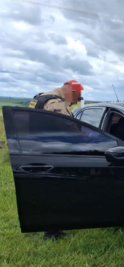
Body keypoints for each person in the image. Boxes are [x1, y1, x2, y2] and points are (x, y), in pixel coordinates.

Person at [29, 80, 84, 240]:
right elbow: (72, 130)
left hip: (38, 149)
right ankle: (53, 233)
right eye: (76, 99)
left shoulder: (40, 98)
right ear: (72, 92)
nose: (74, 103)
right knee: (55, 192)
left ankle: (49, 226)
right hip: (53, 153)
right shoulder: (57, 104)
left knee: (47, 191)